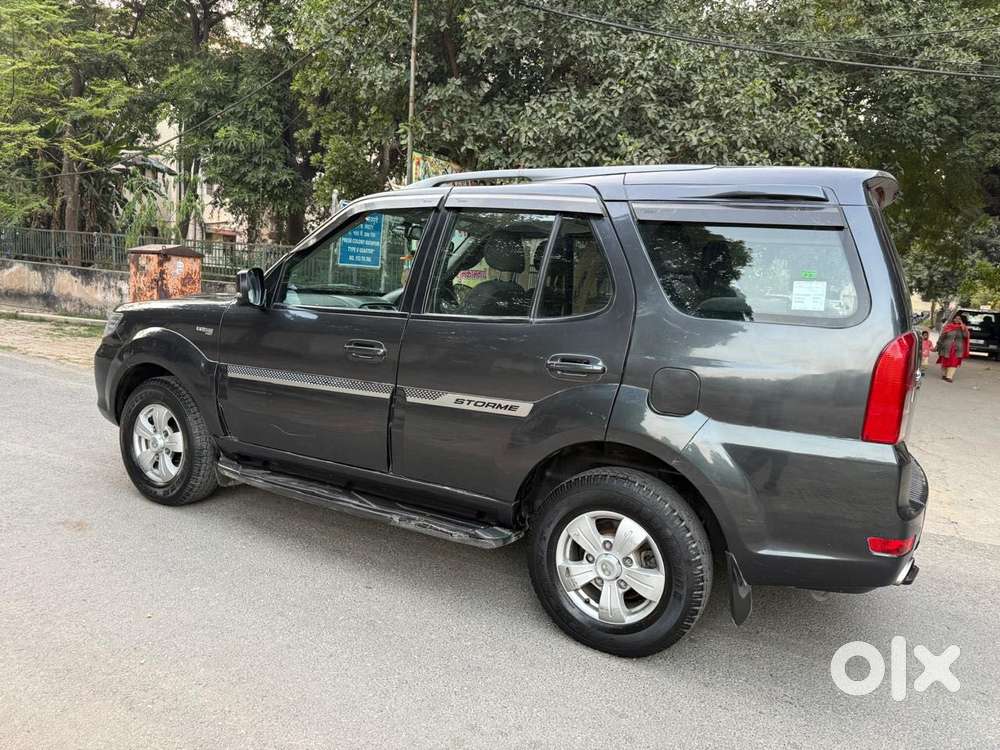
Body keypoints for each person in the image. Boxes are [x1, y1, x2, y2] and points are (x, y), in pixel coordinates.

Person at [936, 314, 971, 382]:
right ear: (953, 319)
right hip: (946, 347)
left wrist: (963, 328)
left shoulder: (964, 328)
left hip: (957, 349)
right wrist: (938, 345)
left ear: (962, 320)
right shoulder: (948, 326)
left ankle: (949, 377)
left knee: (954, 362)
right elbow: (942, 337)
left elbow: (966, 336)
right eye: (956, 318)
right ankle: (945, 374)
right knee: (945, 361)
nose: (957, 320)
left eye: (959, 319)